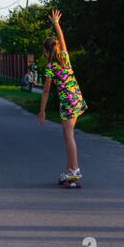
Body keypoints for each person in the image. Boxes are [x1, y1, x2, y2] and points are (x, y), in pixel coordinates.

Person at [38, 10, 88, 186]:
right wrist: (56, 23)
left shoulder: (50, 67)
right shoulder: (65, 58)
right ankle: (69, 171)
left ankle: (74, 170)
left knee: (69, 136)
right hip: (77, 98)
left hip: (67, 102)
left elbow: (45, 91)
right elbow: (62, 38)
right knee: (69, 134)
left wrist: (42, 111)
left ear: (46, 51)